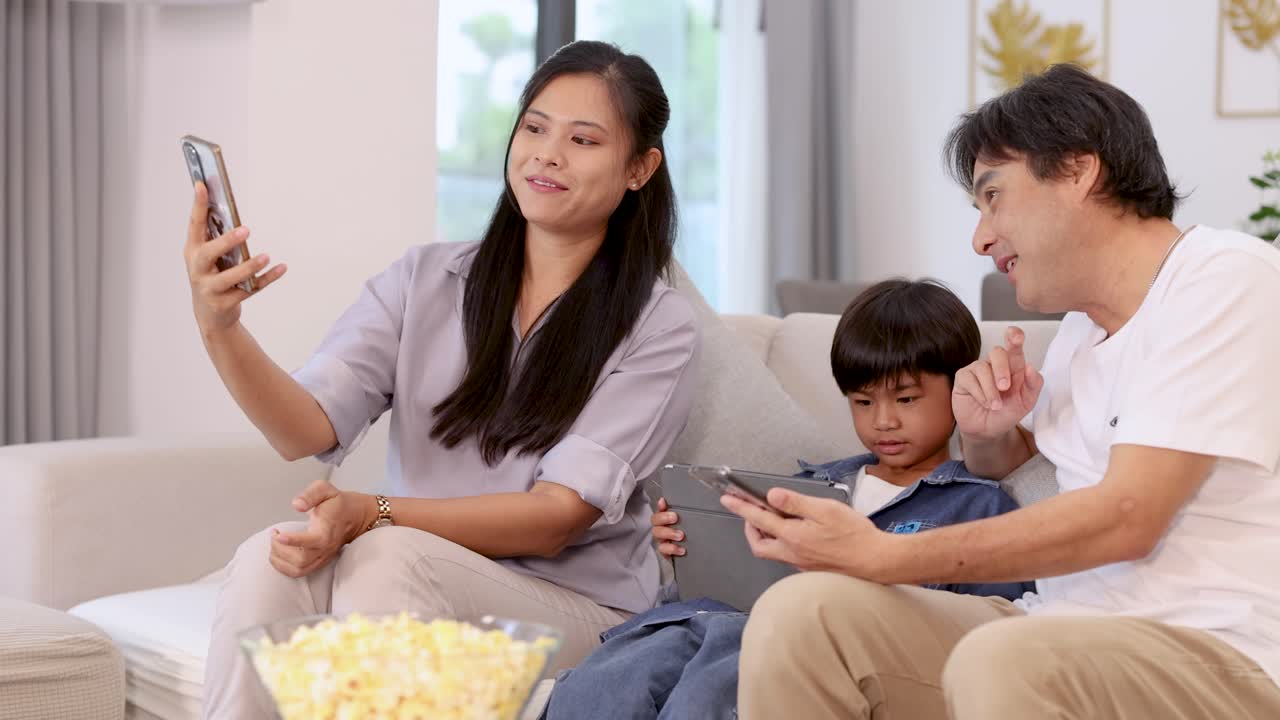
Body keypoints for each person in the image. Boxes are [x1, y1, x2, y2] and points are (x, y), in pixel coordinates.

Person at [722, 63, 1280, 719]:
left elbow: (1130, 514)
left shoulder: (1225, 279)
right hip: (1061, 629)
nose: (982, 238)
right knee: (803, 615)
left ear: (1077, 170)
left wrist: (885, 553)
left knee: (1008, 656)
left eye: (994, 197)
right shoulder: (1080, 331)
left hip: (1217, 656)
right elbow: (1033, 464)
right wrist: (990, 436)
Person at [182, 41, 700, 719]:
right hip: (420, 567)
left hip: (576, 607)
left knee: (389, 559)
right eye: (535, 127)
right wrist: (219, 325)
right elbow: (302, 427)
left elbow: (554, 520)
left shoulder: (659, 326)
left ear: (639, 168)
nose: (547, 154)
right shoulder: (424, 279)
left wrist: (376, 512)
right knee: (268, 559)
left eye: (583, 140)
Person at [543, 280, 1033, 720]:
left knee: (710, 691)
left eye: (906, 400)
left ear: (958, 388)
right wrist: (691, 549)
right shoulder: (802, 489)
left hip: (792, 649)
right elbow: (710, 594)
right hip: (705, 627)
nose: (882, 421)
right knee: (610, 678)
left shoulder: (979, 507)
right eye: (863, 402)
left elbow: (976, 640)